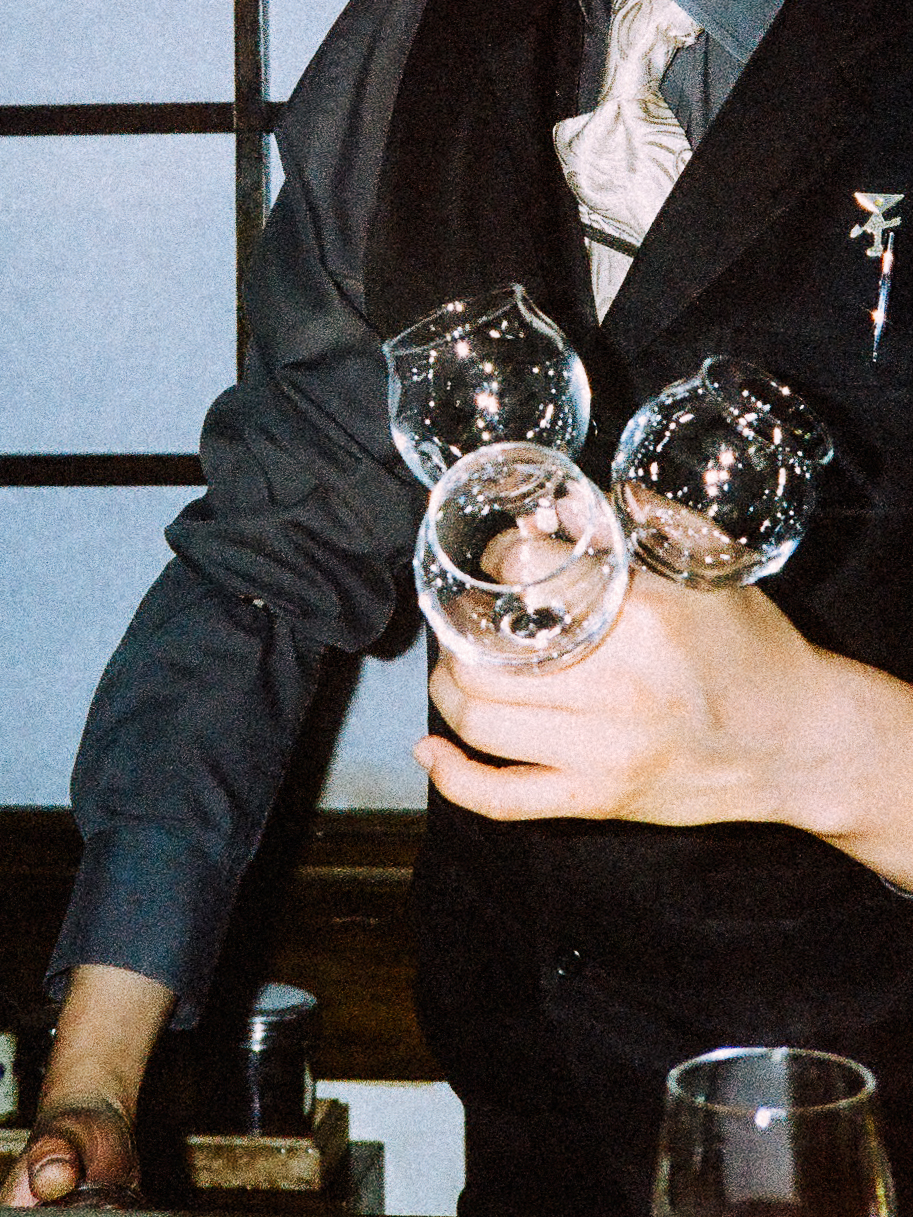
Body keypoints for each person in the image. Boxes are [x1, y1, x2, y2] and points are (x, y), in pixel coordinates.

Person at [2, 0, 912, 1211]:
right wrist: (96, 1080)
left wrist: (807, 738)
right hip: (528, 1101)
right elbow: (270, 559)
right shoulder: (410, 45)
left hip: (868, 1115)